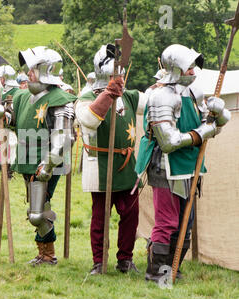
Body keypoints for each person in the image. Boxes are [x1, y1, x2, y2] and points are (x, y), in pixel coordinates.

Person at [135, 44, 231, 283]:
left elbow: (211, 127)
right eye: (189, 66)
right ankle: (156, 272)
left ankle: (172, 267)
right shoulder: (160, 96)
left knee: (184, 223)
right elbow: (168, 141)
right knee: (167, 222)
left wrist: (219, 115)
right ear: (176, 68)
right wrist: (202, 132)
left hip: (189, 164)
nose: (193, 71)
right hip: (165, 165)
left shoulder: (193, 92)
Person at [75, 44, 148, 275]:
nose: (120, 78)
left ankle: (125, 259)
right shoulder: (85, 97)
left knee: (130, 216)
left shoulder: (128, 96)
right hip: (100, 166)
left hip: (126, 167)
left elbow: (151, 102)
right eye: (115, 75)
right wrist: (108, 94)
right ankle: (99, 261)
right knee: (100, 218)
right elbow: (89, 120)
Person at [9, 46, 76, 265]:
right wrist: (3, 114)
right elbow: (17, 122)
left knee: (38, 212)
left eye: (33, 70)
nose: (28, 74)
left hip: (46, 162)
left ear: (45, 70)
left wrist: (47, 164)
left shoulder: (59, 98)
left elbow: (64, 137)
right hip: (26, 160)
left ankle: (48, 255)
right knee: (37, 209)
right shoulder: (22, 97)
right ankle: (44, 253)